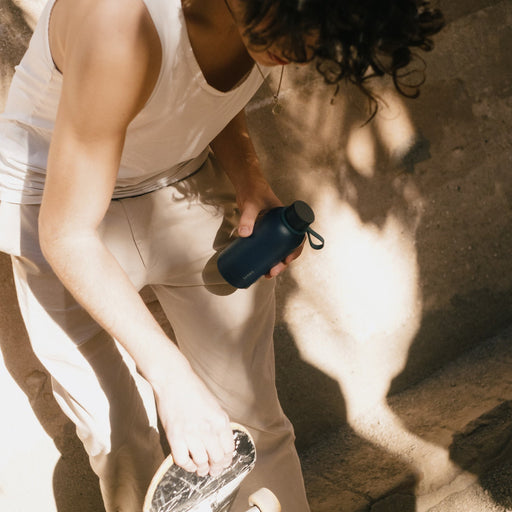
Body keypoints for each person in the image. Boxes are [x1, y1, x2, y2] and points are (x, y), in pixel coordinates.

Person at [0, 0, 444, 510]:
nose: (303, 51)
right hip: (51, 206)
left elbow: (201, 88)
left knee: (253, 423)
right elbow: (67, 235)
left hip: (181, 181)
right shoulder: (116, 21)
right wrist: (172, 379)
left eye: (319, 37)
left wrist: (249, 178)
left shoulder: (273, 20)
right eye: (295, 27)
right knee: (118, 438)